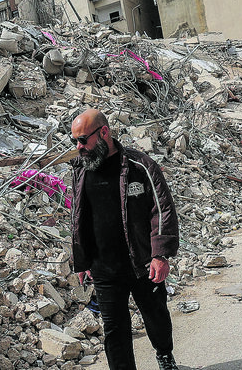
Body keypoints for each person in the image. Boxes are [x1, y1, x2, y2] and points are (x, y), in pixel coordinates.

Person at [69, 109, 181, 370]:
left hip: (142, 264)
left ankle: (164, 354)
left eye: (83, 139)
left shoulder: (139, 166)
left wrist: (159, 254)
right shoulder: (81, 171)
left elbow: (162, 209)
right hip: (104, 269)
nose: (79, 147)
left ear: (104, 132)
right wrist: (82, 260)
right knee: (115, 331)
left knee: (157, 317)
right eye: (74, 140)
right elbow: (78, 219)